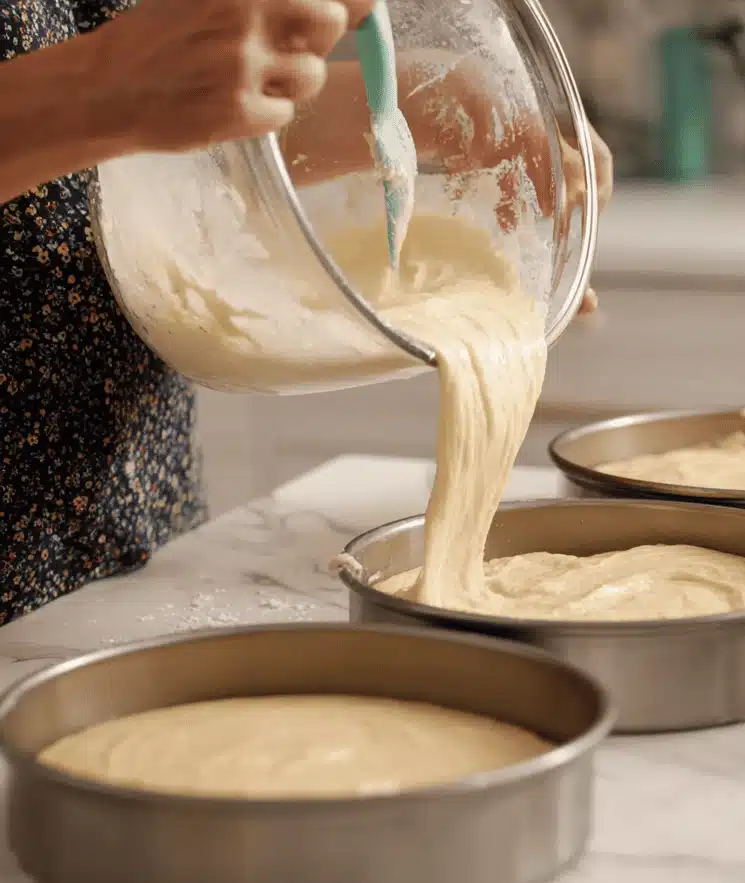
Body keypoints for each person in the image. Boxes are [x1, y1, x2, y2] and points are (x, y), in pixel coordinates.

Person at [0, 0, 613, 627]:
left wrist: (443, 105)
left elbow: (195, 144)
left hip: (140, 547)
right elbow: (129, 96)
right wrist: (102, 85)